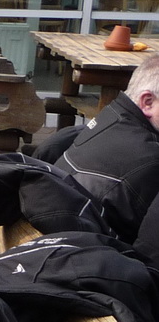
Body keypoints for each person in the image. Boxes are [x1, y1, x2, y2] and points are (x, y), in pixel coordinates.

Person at [38, 56, 159, 260]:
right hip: (87, 263)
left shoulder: (109, 118)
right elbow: (151, 254)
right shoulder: (151, 160)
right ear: (147, 102)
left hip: (53, 245)